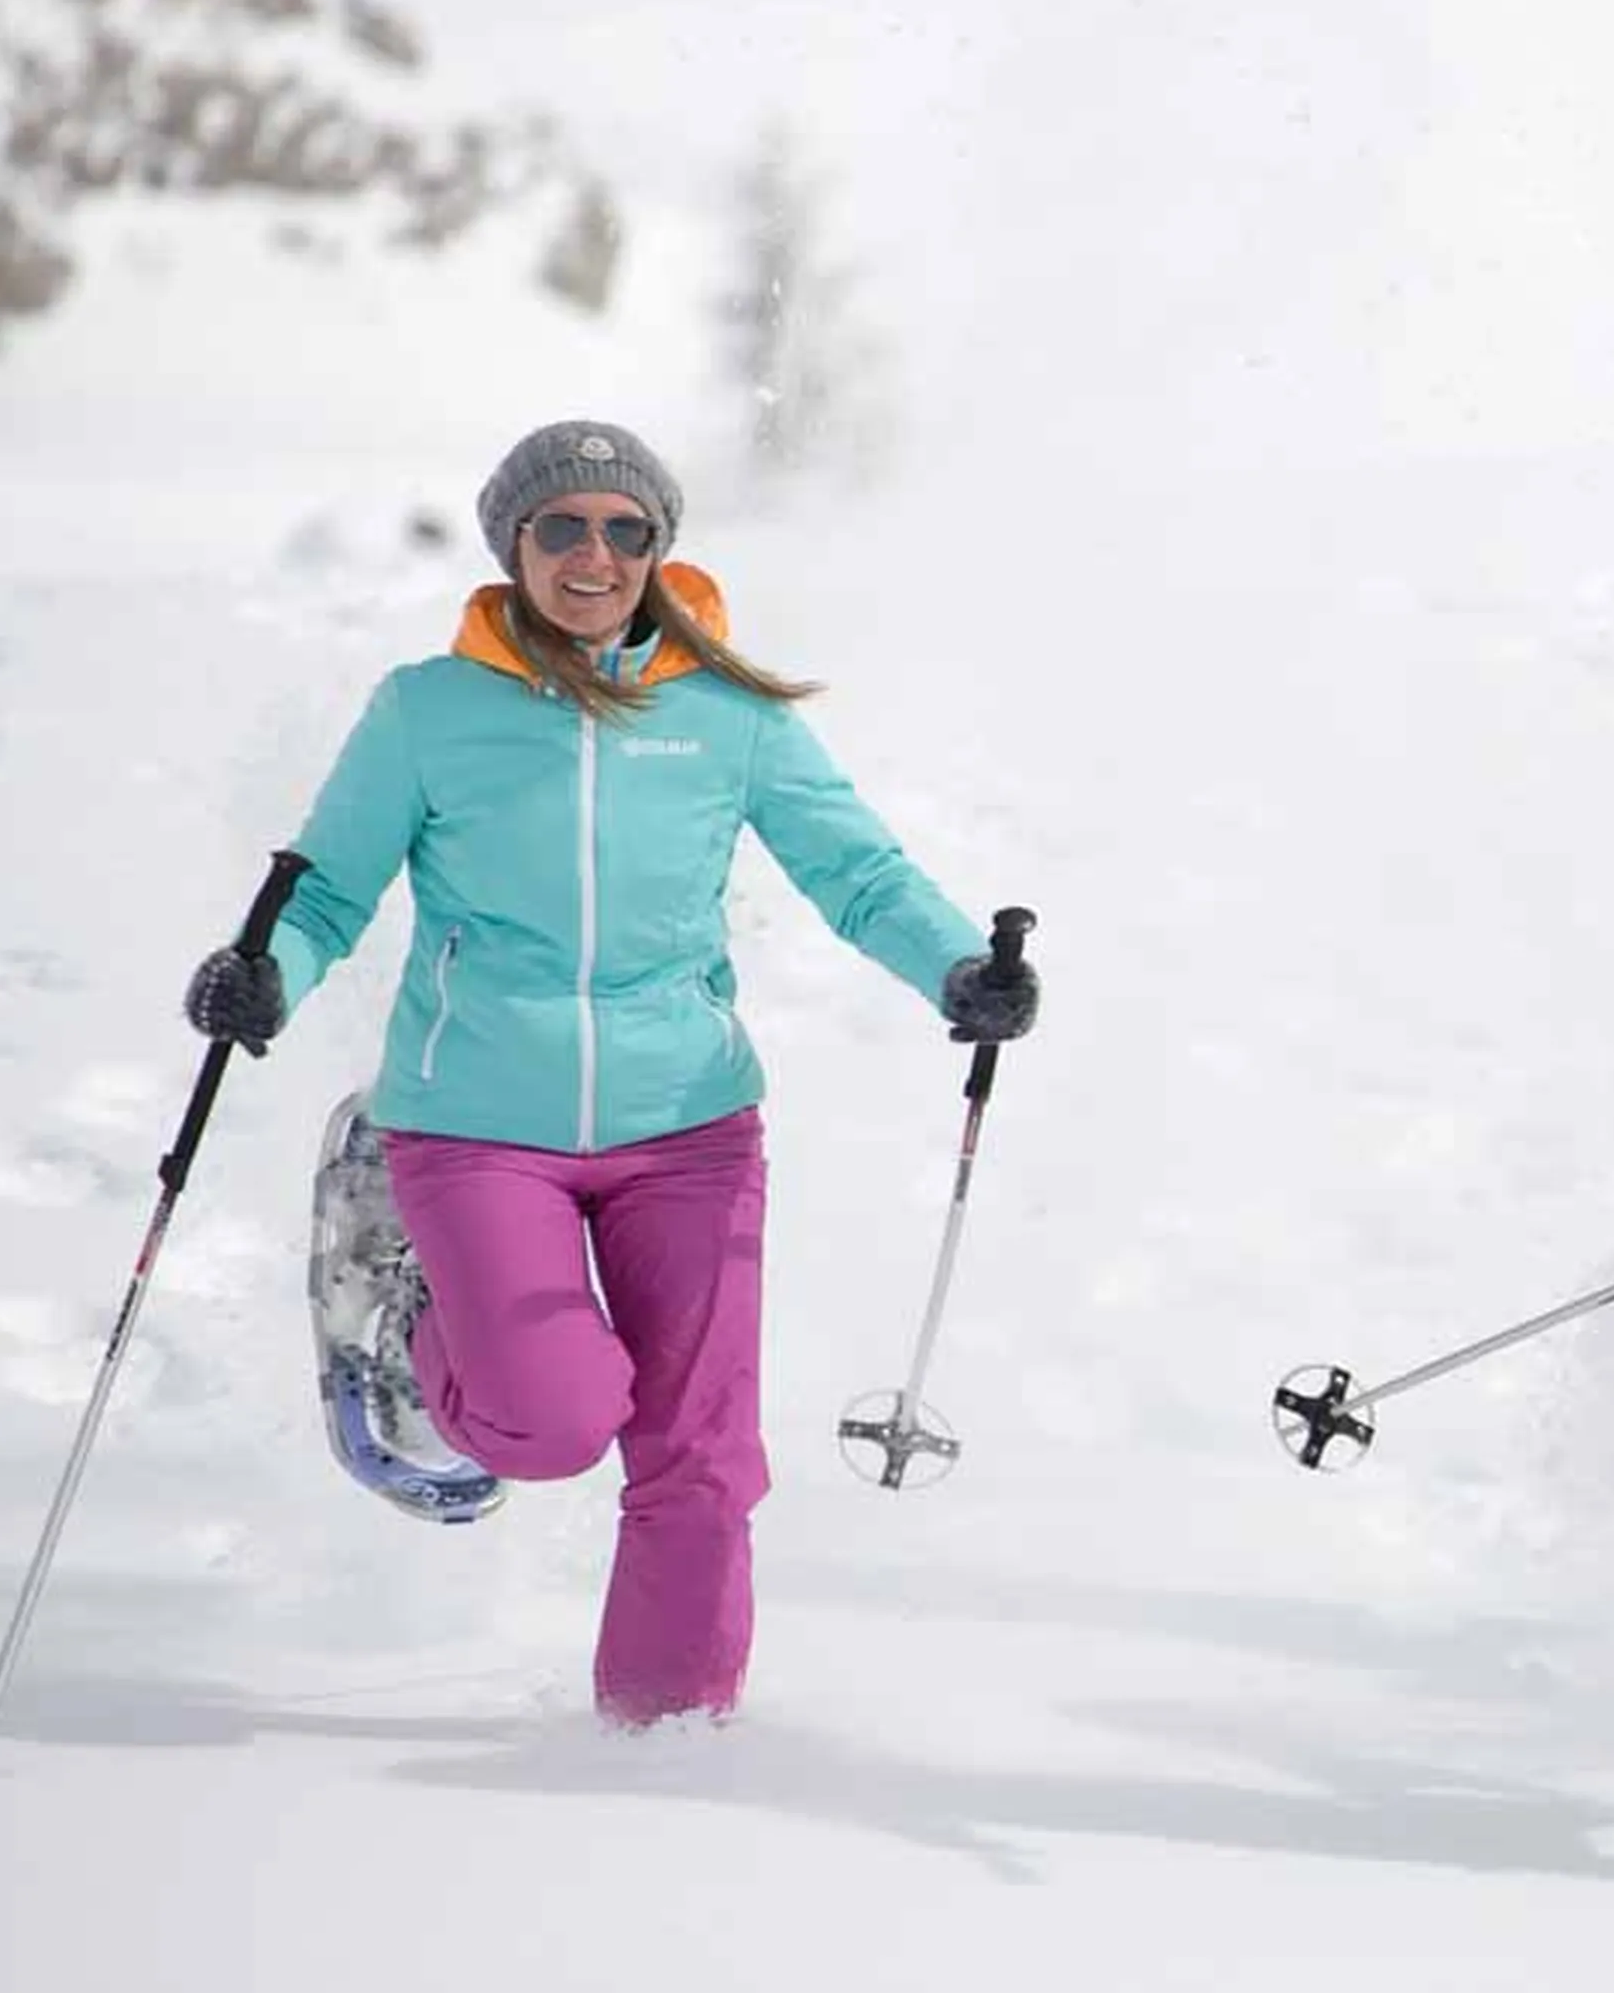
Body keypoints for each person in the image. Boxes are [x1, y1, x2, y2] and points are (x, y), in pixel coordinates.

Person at [180, 419, 1035, 1729]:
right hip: (474, 1121)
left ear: (658, 548)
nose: (595, 553)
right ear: (513, 545)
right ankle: (408, 1327)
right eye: (563, 526)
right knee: (557, 1416)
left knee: (700, 1457)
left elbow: (856, 872)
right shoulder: (429, 711)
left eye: (625, 528)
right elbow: (330, 888)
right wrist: (268, 976)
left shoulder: (724, 716)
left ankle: (662, 1747)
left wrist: (956, 969)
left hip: (687, 1123)